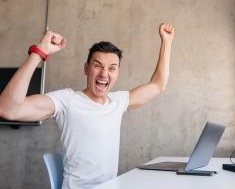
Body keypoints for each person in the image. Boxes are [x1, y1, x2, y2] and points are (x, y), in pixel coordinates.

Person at [0, 23, 174, 188]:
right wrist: (39, 52)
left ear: (117, 73)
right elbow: (8, 109)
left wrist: (167, 42)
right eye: (98, 66)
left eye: (112, 68)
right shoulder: (66, 101)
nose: (104, 73)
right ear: (86, 68)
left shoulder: (118, 102)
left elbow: (158, 85)